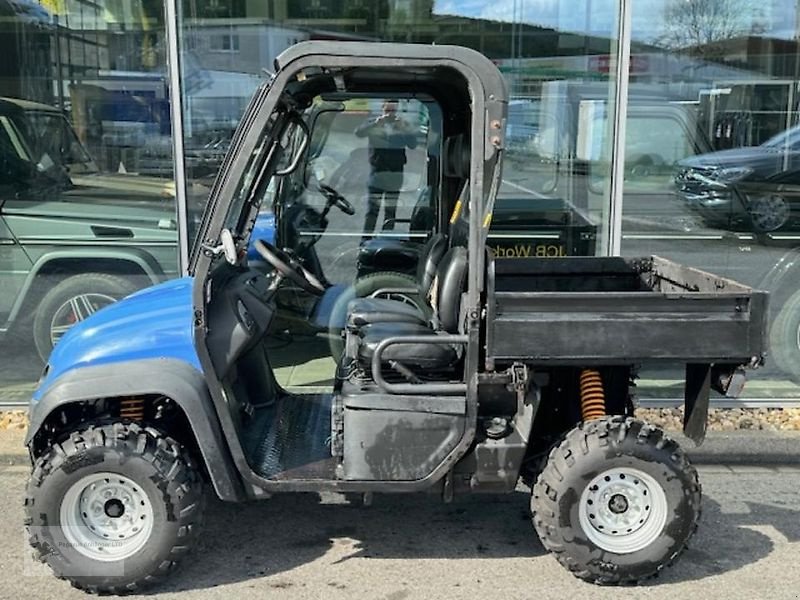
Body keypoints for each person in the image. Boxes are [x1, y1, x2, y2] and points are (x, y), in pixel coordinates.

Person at [355, 100, 417, 238]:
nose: (389, 114)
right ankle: (365, 240)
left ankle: (386, 238)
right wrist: (376, 123)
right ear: (382, 109)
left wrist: (405, 129)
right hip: (377, 171)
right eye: (387, 110)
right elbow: (358, 133)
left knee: (390, 210)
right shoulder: (374, 123)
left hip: (395, 172)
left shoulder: (402, 125)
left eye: (393, 111)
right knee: (372, 210)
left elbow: (413, 144)